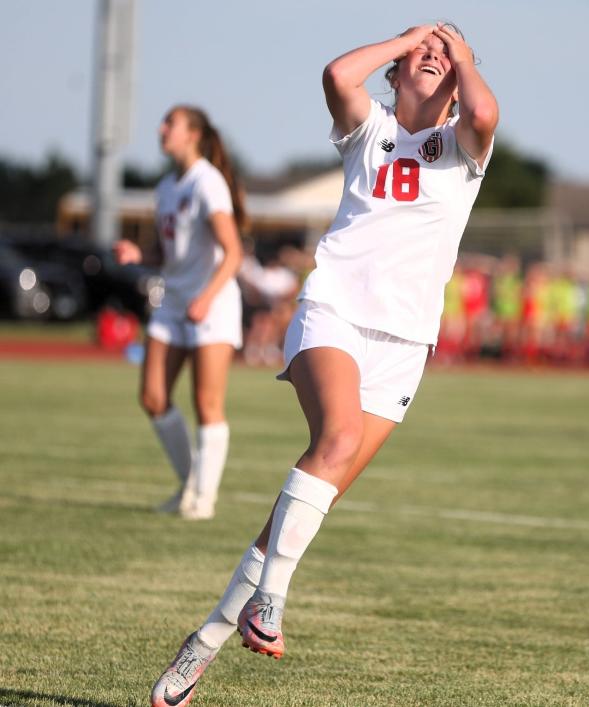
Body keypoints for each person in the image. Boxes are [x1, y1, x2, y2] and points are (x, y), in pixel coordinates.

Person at [151, 22, 497, 706]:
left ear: (457, 82)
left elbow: (485, 112)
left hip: (404, 346)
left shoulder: (463, 146)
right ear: (394, 74)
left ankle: (208, 638)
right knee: (334, 439)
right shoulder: (368, 129)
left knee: (306, 502)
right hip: (333, 309)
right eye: (415, 58)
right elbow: (339, 75)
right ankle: (271, 598)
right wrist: (408, 37)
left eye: (444, 58)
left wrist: (456, 55)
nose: (431, 58)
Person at [114, 105, 244, 521]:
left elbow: (234, 253)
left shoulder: (208, 182)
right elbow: (169, 252)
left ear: (192, 134)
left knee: (207, 403)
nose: (161, 129)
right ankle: (191, 484)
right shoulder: (167, 186)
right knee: (152, 396)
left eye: (170, 123)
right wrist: (141, 253)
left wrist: (207, 296)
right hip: (173, 303)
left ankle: (202, 499)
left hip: (213, 302)